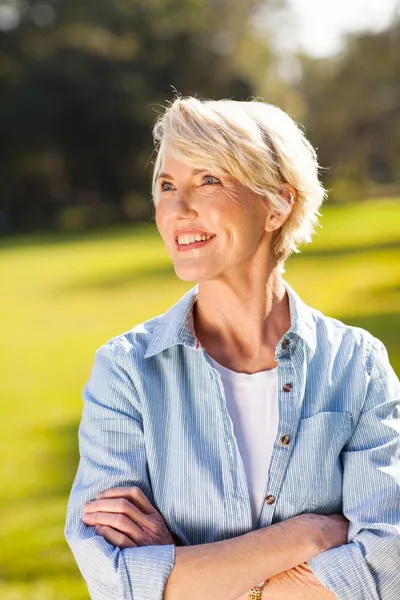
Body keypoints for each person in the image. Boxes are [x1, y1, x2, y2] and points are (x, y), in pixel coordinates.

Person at [65, 97, 400, 600]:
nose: (177, 209)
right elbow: (112, 578)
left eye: (209, 180)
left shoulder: (359, 366)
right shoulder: (126, 371)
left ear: (278, 203)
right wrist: (310, 534)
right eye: (167, 185)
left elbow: (385, 567)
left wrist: (179, 565)